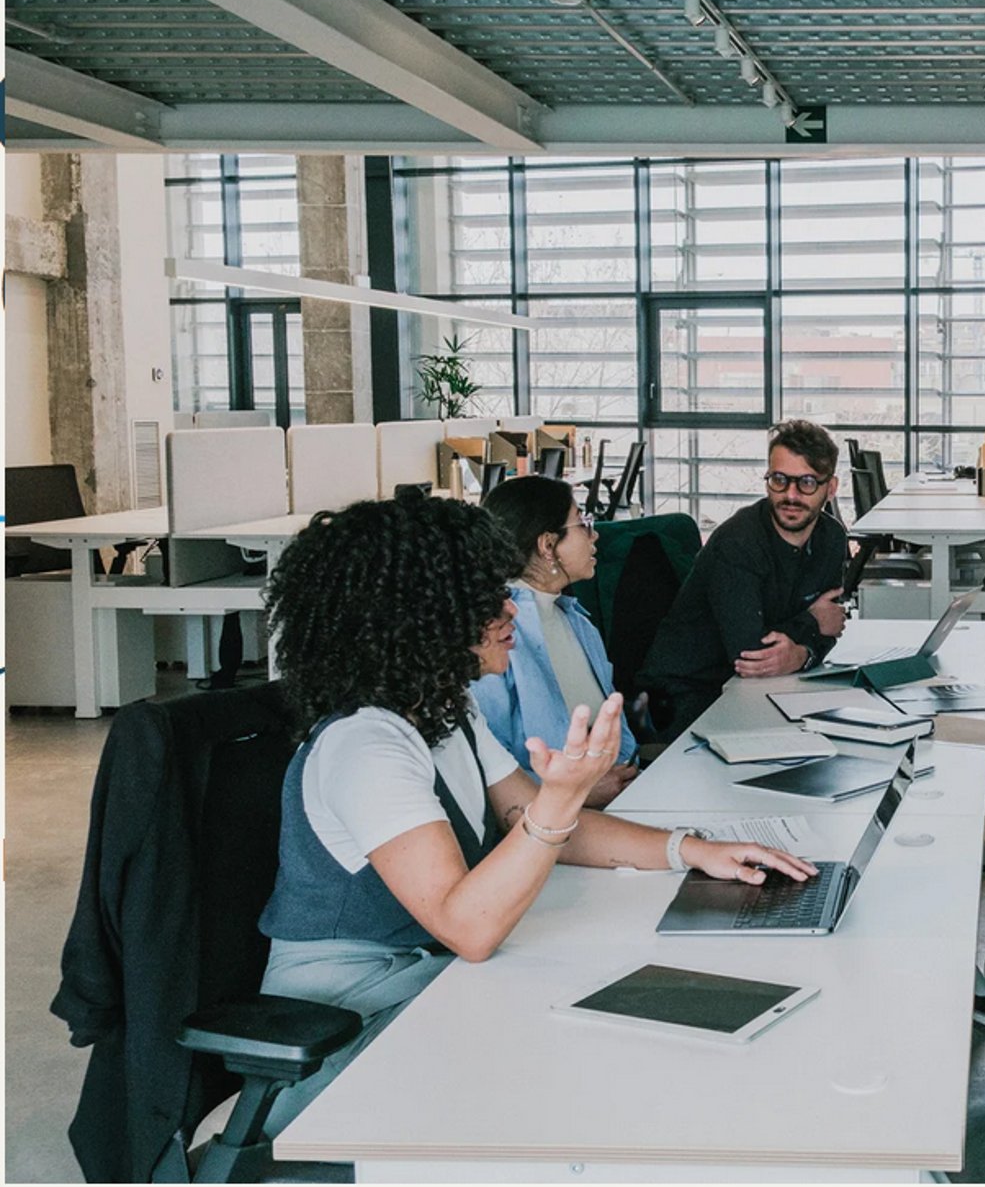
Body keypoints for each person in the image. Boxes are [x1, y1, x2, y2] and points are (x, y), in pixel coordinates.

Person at [255, 492, 814, 1135]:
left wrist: (689, 850)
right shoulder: (366, 745)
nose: (508, 610)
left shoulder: (439, 712)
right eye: (482, 598)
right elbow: (468, 925)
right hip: (344, 1031)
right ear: (419, 616)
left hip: (423, 982)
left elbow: (529, 813)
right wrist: (563, 796)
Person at [640, 419, 850, 739]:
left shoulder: (832, 538)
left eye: (807, 482)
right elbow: (750, 656)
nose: (790, 495)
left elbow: (830, 629)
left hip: (760, 690)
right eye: (779, 480)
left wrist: (804, 653)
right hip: (687, 695)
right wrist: (810, 624)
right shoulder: (738, 541)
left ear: (830, 488)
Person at [472, 474, 641, 809]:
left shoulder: (575, 620)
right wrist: (577, 793)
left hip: (625, 798)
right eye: (583, 524)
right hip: (552, 822)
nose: (595, 535)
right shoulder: (494, 638)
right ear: (547, 545)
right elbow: (485, 771)